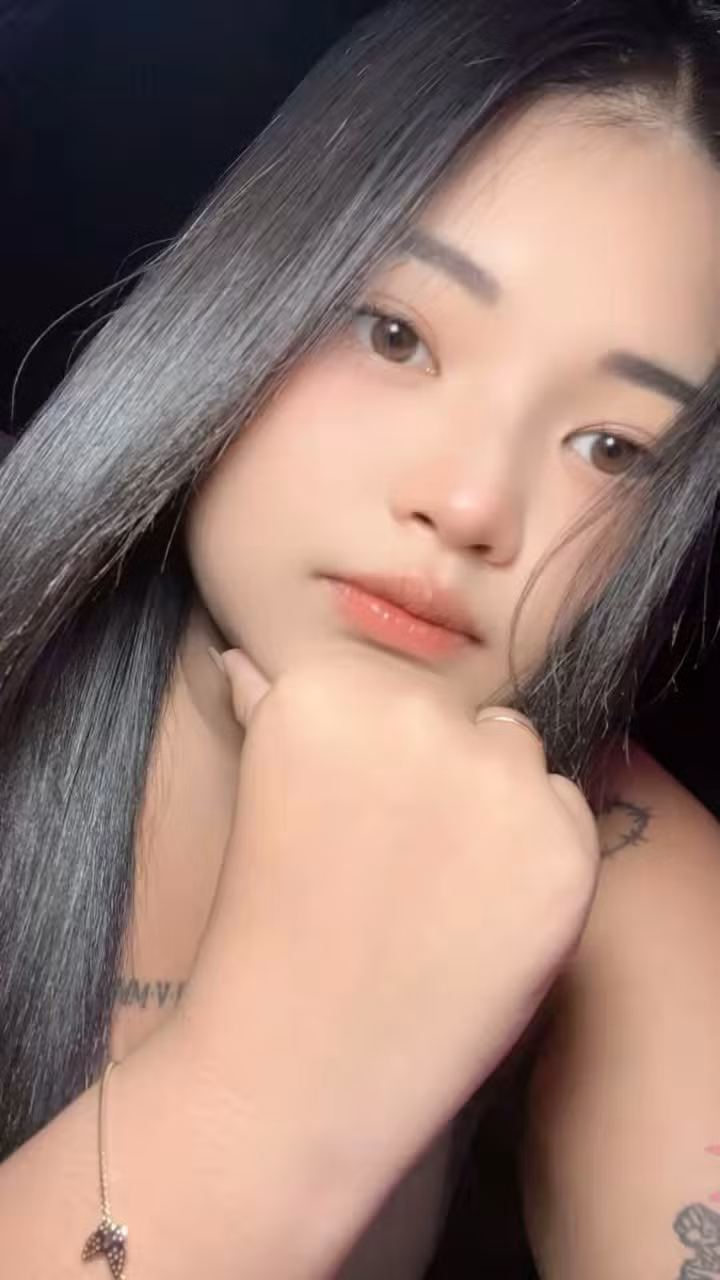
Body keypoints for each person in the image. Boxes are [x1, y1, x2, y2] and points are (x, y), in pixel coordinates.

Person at [1, 0, 720, 1276]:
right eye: (398, 336)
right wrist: (270, 1090)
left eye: (612, 447)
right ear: (244, 290)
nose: (473, 502)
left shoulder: (610, 858)